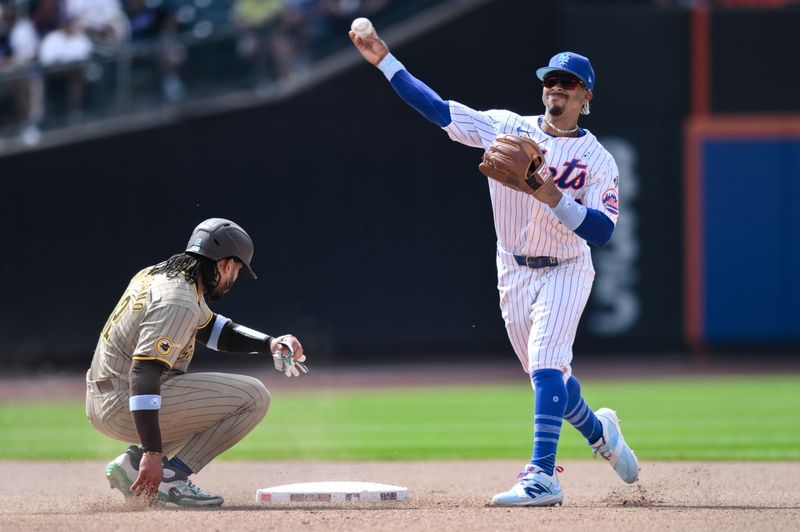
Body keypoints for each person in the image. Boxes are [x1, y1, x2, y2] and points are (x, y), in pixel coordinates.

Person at [350, 29, 639, 506]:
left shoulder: (597, 160)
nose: (556, 89)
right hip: (513, 271)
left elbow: (603, 232)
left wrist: (550, 194)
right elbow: (438, 110)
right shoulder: (507, 127)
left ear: (586, 96)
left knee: (546, 366)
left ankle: (542, 476)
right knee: (553, 380)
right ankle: (601, 431)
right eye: (551, 81)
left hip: (566, 268)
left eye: (568, 83)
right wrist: (385, 61)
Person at [86, 218, 308, 507]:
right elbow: (144, 372)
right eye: (238, 270)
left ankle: (132, 464)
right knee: (253, 397)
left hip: (104, 395)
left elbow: (214, 330)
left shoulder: (160, 275)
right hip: (123, 399)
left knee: (208, 403)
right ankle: (171, 477)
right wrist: (154, 454)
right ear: (227, 264)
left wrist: (269, 343)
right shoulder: (179, 300)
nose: (235, 278)